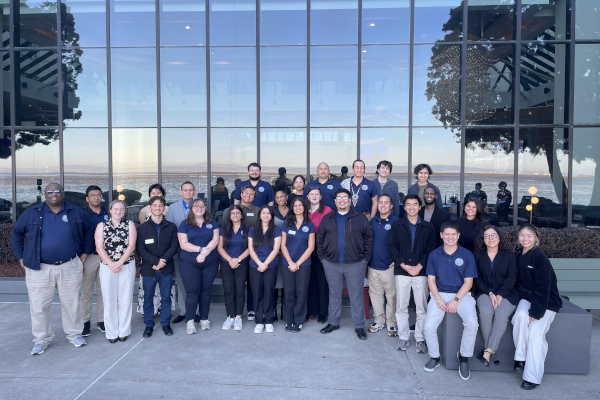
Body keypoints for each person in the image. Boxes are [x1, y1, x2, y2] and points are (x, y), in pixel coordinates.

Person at [12, 183, 93, 354]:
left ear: (63, 194)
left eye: (57, 191)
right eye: (50, 192)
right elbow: (17, 233)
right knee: (39, 306)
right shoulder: (32, 213)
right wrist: (20, 257)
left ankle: (74, 334)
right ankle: (41, 339)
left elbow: (88, 231)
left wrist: (85, 252)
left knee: (71, 304)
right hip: (39, 269)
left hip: (69, 266)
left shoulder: (75, 212)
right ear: (45, 194)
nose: (54, 194)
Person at [423, 221, 478, 381]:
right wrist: (438, 299)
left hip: (462, 295)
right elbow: (431, 280)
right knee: (428, 326)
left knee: (472, 324)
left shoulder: (467, 255)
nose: (450, 237)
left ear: (458, 236)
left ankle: (464, 357)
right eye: (447, 234)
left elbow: (468, 282)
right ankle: (435, 357)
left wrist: (456, 300)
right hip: (439, 293)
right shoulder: (434, 254)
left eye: (453, 234)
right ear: (441, 235)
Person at [317, 188, 373, 340]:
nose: (342, 200)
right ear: (335, 201)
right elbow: (319, 239)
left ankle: (359, 326)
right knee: (334, 293)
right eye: (339, 198)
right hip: (331, 263)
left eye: (345, 197)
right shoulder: (327, 218)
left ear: (350, 200)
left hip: (356, 263)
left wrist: (365, 259)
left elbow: (369, 238)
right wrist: (323, 259)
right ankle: (334, 322)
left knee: (356, 294)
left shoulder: (360, 217)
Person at [512, 224, 562, 390]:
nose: (525, 239)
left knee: (535, 333)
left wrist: (537, 312)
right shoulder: (518, 254)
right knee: (520, 316)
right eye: (522, 235)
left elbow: (543, 287)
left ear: (535, 238)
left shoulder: (539, 257)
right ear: (518, 237)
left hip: (545, 302)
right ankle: (520, 358)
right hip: (527, 298)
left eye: (529, 236)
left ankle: (532, 377)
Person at [387, 194, 436, 352]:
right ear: (404, 207)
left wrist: (419, 266)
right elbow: (392, 247)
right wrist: (405, 266)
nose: (412, 207)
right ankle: (403, 337)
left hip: (421, 273)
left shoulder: (428, 227)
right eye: (408, 204)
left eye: (415, 204)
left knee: (422, 308)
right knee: (401, 307)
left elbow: (431, 249)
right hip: (402, 272)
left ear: (420, 207)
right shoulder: (397, 225)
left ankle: (420, 339)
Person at [473, 225, 518, 366]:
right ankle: (491, 350)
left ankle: (488, 351)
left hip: (507, 293)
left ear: (499, 237)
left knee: (501, 312)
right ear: (483, 239)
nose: (490, 238)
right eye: (487, 236)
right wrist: (490, 293)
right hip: (484, 291)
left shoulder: (509, 255)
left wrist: (500, 294)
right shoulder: (478, 255)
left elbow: (511, 278)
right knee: (486, 311)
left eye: (493, 235)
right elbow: (476, 279)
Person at [136, 196, 179, 338]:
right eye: (154, 205)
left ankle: (166, 323)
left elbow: (174, 246)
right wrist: (155, 262)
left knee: (166, 297)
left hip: (166, 268)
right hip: (149, 269)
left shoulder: (171, 227)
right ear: (150, 208)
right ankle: (148, 324)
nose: (157, 208)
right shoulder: (142, 228)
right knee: (148, 297)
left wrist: (163, 261)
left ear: (164, 208)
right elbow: (140, 249)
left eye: (160, 205)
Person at [95, 200, 137, 343]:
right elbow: (99, 247)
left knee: (125, 298)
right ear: (110, 210)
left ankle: (123, 331)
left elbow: (131, 246)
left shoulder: (130, 224)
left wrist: (119, 263)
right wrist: (111, 264)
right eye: (116, 209)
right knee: (109, 299)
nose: (118, 212)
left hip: (127, 265)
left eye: (121, 209)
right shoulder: (101, 226)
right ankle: (111, 332)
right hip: (107, 266)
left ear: (125, 211)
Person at [177, 198, 220, 334]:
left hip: (210, 261)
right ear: (191, 208)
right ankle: (190, 321)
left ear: (205, 208)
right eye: (196, 206)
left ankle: (204, 319)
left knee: (205, 291)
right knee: (192, 292)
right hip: (189, 262)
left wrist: (205, 253)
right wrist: (201, 250)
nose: (199, 208)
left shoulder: (212, 222)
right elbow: (183, 244)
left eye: (202, 206)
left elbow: (216, 239)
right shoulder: (185, 224)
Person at [224, 185, 259, 321]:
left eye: (251, 194)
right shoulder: (231, 210)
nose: (248, 195)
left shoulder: (257, 210)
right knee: (234, 286)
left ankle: (250, 309)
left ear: (254, 196)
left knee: (250, 283)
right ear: (241, 194)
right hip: (234, 253)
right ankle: (232, 313)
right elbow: (224, 233)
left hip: (251, 251)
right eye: (246, 193)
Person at [367, 194, 400, 337]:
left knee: (391, 296)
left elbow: (402, 243)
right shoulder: (372, 221)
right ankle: (379, 320)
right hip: (373, 266)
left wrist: (397, 260)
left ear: (391, 206)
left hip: (389, 266)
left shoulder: (396, 222)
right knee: (375, 295)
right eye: (380, 202)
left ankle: (391, 322)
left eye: (386, 203)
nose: (383, 205)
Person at [281, 198, 315, 332]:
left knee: (302, 292)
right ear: (292, 208)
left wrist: (298, 263)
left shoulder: (309, 225)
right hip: (287, 263)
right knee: (288, 292)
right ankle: (289, 320)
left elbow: (311, 247)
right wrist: (290, 262)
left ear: (304, 207)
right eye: (295, 206)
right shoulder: (286, 224)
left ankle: (299, 320)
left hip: (304, 264)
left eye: (300, 205)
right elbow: (282, 245)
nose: (297, 208)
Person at [167, 181, 198, 324]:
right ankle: (184, 311)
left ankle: (195, 312)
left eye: (190, 190)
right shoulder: (173, 208)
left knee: (196, 282)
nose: (188, 192)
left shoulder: (199, 206)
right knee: (181, 282)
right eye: (185, 190)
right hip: (179, 252)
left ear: (194, 192)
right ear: (181, 192)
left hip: (197, 251)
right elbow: (170, 229)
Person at [80, 185, 108, 337]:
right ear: (87, 198)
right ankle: (85, 322)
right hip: (88, 257)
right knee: (86, 292)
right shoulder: (82, 214)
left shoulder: (108, 212)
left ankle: (101, 321)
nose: (96, 197)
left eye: (98, 195)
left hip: (106, 258)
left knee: (104, 291)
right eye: (93, 195)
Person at [248, 206, 282, 333]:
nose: (266, 215)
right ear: (259, 215)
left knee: (269, 292)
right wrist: (259, 263)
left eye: (268, 213)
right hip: (255, 265)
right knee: (257, 293)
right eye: (263, 213)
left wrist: (265, 263)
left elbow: (276, 249)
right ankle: (259, 321)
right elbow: (250, 249)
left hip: (271, 265)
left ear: (272, 216)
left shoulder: (276, 230)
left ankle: (268, 320)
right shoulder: (253, 230)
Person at [217, 205, 250, 331]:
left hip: (242, 262)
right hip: (227, 263)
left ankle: (238, 317)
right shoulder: (224, 229)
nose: (235, 215)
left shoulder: (247, 229)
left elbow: (250, 248)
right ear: (229, 216)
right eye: (232, 213)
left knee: (240, 289)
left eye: (237, 213)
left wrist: (238, 259)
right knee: (228, 290)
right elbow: (220, 247)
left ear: (241, 215)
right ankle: (230, 316)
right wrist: (230, 260)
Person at [306, 187, 333, 323]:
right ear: (308, 196)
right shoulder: (304, 210)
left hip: (322, 247)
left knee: (322, 279)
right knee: (309, 279)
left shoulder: (327, 210)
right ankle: (312, 310)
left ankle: (322, 312)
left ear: (321, 196)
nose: (314, 196)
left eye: (317, 194)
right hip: (305, 247)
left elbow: (332, 229)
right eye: (312, 194)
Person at [272, 188, 290, 320]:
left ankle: (285, 310)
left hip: (289, 252)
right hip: (273, 252)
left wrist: (284, 250)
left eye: (282, 196)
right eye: (277, 197)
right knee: (273, 282)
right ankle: (273, 310)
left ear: (287, 197)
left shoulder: (293, 211)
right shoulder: (271, 211)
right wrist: (276, 250)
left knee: (286, 282)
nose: (280, 199)